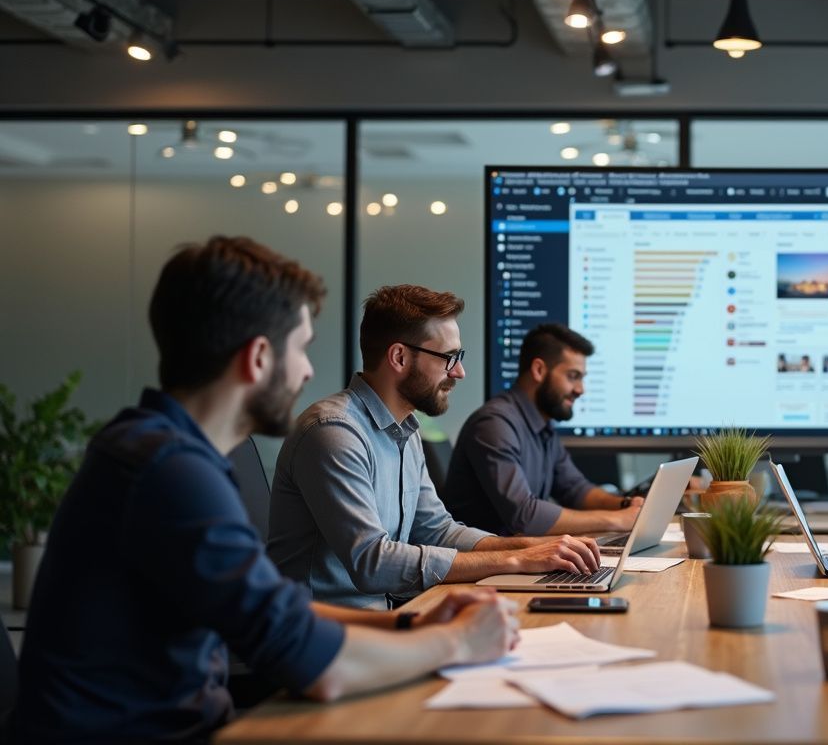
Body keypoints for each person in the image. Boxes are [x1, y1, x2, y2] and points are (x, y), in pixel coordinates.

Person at [14, 238, 518, 744]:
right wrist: (455, 642)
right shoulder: (168, 472)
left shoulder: (162, 451)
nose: (308, 370)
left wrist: (411, 628)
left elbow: (276, 607)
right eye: (300, 347)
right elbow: (316, 664)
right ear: (258, 357)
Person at [267, 287, 600, 609]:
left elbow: (437, 530)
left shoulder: (407, 430)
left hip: (385, 619)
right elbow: (372, 562)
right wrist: (514, 559)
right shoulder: (334, 432)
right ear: (399, 357)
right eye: (449, 357)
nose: (459, 371)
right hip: (321, 636)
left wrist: (537, 548)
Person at [441, 323, 644, 536]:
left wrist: (626, 505)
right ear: (539, 370)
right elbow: (526, 516)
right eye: (573, 376)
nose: (580, 389)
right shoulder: (494, 424)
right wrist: (617, 520)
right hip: (489, 563)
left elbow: (575, 490)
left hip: (521, 557)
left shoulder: (542, 426)